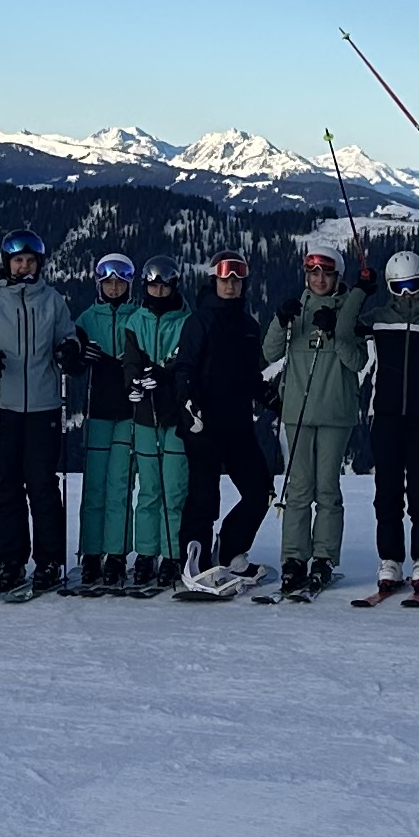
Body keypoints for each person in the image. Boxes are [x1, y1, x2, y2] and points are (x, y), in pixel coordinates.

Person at [0, 235, 76, 600]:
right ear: (7, 263)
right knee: (5, 483)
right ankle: (10, 559)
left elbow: (67, 337)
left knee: (42, 484)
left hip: (43, 403)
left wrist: (69, 349)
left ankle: (49, 560)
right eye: (18, 261)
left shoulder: (51, 300)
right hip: (0, 403)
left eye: (31, 261)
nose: (25, 267)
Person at [262, 244, 371, 602]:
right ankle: (294, 557)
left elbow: (357, 362)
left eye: (325, 273)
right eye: (313, 273)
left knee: (327, 490)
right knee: (297, 489)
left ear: (337, 277)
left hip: (335, 413)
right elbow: (269, 353)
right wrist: (280, 320)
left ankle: (323, 557)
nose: (319, 279)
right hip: (297, 413)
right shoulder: (298, 309)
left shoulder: (348, 311)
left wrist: (337, 334)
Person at [172, 252, 279, 598]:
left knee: (259, 490)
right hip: (202, 424)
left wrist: (268, 395)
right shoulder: (199, 321)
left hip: (237, 426)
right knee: (204, 496)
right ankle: (194, 564)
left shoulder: (249, 326)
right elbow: (184, 367)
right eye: (224, 280)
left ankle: (230, 553)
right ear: (214, 282)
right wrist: (188, 404)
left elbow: (248, 375)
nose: (230, 285)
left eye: (236, 281)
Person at [355, 247, 419, 607]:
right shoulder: (379, 318)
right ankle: (390, 559)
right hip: (386, 416)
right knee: (387, 493)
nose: (407, 294)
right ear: (390, 288)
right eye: (399, 287)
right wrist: (361, 289)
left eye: (413, 285)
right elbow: (348, 324)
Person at [69, 254, 150, 594]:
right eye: (108, 282)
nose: (114, 287)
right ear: (99, 284)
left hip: (129, 412)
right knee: (95, 488)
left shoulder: (139, 317)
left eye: (120, 282)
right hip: (98, 410)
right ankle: (90, 554)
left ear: (129, 285)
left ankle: (115, 554)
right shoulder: (88, 317)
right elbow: (70, 360)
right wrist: (75, 355)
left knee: (119, 485)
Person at [115, 263, 196, 595]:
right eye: (152, 287)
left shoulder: (188, 321)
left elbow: (185, 361)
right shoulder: (136, 321)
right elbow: (131, 360)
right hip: (146, 415)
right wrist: (132, 382)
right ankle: (146, 553)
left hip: (176, 414)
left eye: (164, 286)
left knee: (174, 489)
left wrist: (164, 374)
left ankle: (172, 555)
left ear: (174, 286)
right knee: (148, 490)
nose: (158, 292)